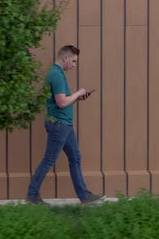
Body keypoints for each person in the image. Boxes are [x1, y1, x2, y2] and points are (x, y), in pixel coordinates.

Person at [26, 45, 105, 205]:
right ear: (65, 58)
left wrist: (77, 98)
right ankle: (32, 195)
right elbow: (61, 103)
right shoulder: (56, 75)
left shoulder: (58, 74)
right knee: (49, 160)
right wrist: (78, 93)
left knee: (75, 157)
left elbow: (63, 101)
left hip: (64, 125)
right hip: (59, 125)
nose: (74, 65)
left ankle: (84, 196)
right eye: (74, 61)